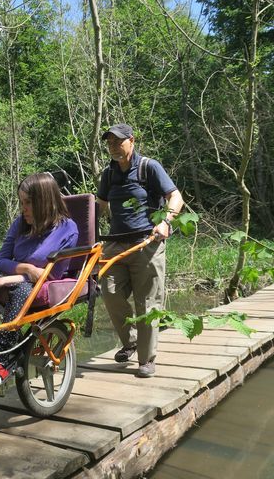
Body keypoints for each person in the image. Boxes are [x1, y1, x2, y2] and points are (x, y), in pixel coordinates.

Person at [0, 173, 79, 389]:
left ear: (44, 202)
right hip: (19, 274)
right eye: (22, 203)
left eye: (28, 203)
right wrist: (25, 269)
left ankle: (4, 358)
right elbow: (1, 259)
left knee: (21, 288)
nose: (24, 209)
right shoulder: (20, 223)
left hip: (39, 281)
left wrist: (12, 279)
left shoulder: (67, 229)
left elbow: (51, 274)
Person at [96, 123, 184, 378]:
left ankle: (146, 359)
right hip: (115, 243)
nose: (113, 147)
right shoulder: (108, 174)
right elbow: (100, 206)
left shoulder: (149, 167)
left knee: (147, 302)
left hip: (147, 242)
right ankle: (131, 341)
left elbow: (175, 197)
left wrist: (165, 222)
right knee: (109, 291)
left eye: (118, 141)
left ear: (131, 141)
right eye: (109, 142)